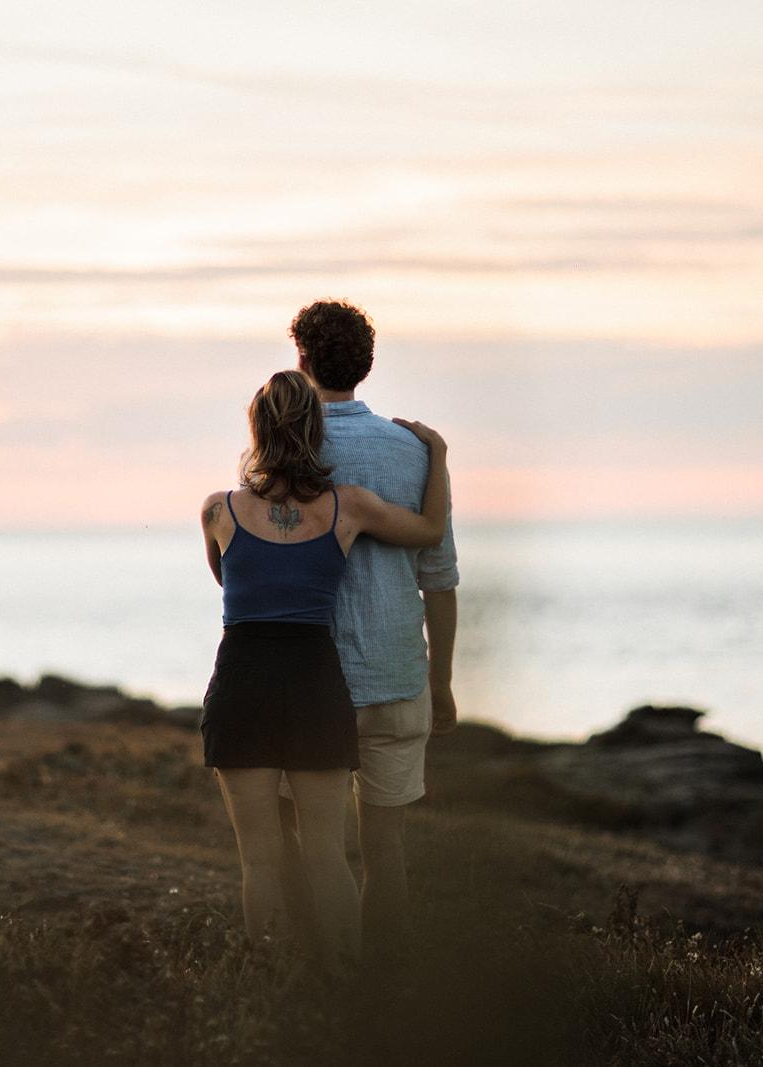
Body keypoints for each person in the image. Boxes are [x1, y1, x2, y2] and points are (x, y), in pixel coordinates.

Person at [198, 369, 450, 975]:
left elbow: (227, 583)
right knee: (328, 858)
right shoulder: (348, 507)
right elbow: (431, 533)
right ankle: (344, 985)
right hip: (315, 682)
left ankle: (274, 988)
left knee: (259, 861)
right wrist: (435, 455)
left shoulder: (218, 510)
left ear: (256, 431)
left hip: (242, 683)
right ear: (316, 432)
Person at [281, 299, 461, 963]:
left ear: (302, 360)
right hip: (397, 674)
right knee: (388, 850)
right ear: (367, 364)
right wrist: (440, 683)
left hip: (312, 682)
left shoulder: (285, 447)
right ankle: (390, 987)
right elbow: (438, 579)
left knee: (314, 843)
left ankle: (326, 978)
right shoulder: (416, 453)